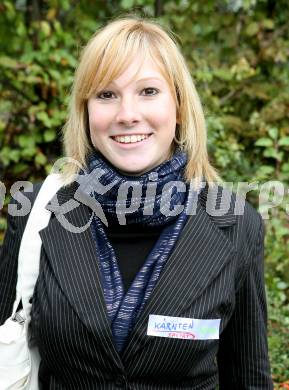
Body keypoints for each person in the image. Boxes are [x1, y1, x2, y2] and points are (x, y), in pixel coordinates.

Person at [0, 15, 273, 389]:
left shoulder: (237, 224)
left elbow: (248, 379)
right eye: (106, 94)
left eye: (148, 91)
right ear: (86, 111)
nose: (127, 115)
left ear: (178, 106)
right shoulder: (36, 213)